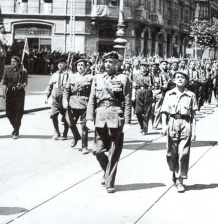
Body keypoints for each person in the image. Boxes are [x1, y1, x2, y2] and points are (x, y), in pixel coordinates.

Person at [86, 51, 131, 194]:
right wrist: (88, 118)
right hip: (100, 117)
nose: (107, 64)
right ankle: (107, 171)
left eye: (111, 62)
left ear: (117, 64)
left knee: (114, 152)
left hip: (116, 117)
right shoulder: (97, 78)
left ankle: (110, 182)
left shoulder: (123, 78)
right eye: (105, 62)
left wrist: (128, 121)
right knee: (98, 151)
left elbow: (128, 101)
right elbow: (92, 99)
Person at [161, 70, 197, 193]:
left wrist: (194, 131)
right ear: (174, 80)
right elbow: (164, 111)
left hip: (185, 124)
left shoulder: (191, 95)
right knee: (171, 153)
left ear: (186, 80)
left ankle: (180, 180)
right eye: (177, 77)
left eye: (182, 77)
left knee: (184, 153)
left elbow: (193, 115)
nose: (180, 79)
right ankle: (174, 171)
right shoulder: (169, 94)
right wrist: (164, 126)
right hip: (172, 123)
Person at [63, 58, 93, 154]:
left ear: (85, 67)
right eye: (78, 65)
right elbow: (67, 90)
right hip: (72, 103)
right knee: (70, 123)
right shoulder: (72, 77)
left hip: (84, 103)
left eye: (82, 65)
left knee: (84, 126)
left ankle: (84, 146)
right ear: (76, 67)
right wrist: (65, 100)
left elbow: (92, 93)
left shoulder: (90, 77)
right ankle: (76, 136)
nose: (80, 67)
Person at [3, 56, 28, 139]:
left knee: (18, 112)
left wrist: (21, 86)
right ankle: (15, 127)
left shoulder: (22, 71)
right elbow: (5, 83)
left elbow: (25, 83)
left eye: (14, 61)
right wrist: (4, 93)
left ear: (18, 62)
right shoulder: (7, 71)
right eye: (11, 61)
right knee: (8, 113)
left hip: (19, 93)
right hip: (10, 93)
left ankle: (16, 131)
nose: (12, 63)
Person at [46, 58, 69, 140]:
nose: (60, 65)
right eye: (58, 63)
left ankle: (65, 133)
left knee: (66, 117)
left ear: (65, 64)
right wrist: (47, 96)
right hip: (55, 98)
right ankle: (56, 132)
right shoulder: (54, 75)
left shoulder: (68, 74)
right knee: (53, 115)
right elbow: (50, 86)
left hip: (64, 98)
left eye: (62, 63)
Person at [133, 61, 153, 134]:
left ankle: (144, 128)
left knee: (147, 112)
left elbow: (153, 84)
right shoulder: (136, 75)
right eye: (142, 66)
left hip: (147, 91)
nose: (144, 67)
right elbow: (133, 85)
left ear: (147, 67)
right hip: (138, 91)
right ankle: (141, 125)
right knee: (138, 111)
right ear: (140, 66)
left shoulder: (150, 75)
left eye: (145, 66)